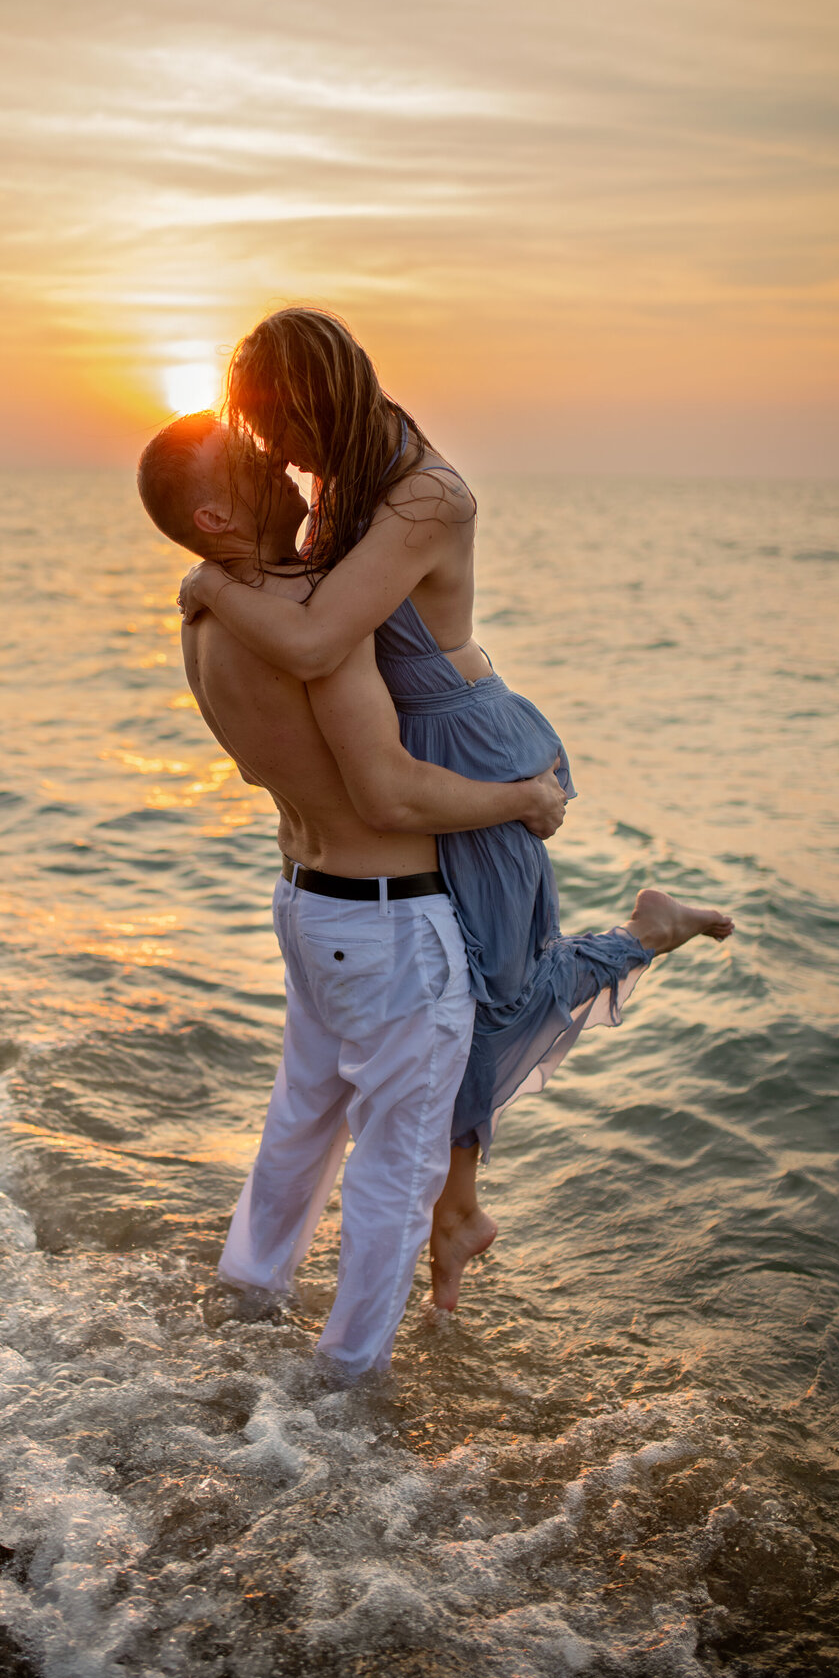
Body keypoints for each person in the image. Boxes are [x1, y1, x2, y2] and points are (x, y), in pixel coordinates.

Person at [179, 307, 734, 1307]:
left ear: (322, 400)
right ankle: (458, 1215)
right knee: (463, 995)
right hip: (405, 746)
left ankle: (646, 939)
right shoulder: (345, 485)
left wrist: (211, 587)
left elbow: (312, 645)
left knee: (492, 991)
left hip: (464, 741)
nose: (283, 461)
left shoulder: (427, 495)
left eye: (283, 432)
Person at [137, 411, 567, 1374]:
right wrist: (524, 798)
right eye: (249, 464)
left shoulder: (205, 621)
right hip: (385, 924)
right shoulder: (313, 618)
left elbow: (263, 770)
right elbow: (390, 789)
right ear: (212, 513)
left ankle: (247, 1294)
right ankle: (350, 1376)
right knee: (398, 1167)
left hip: (305, 901)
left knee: (300, 1126)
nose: (284, 468)